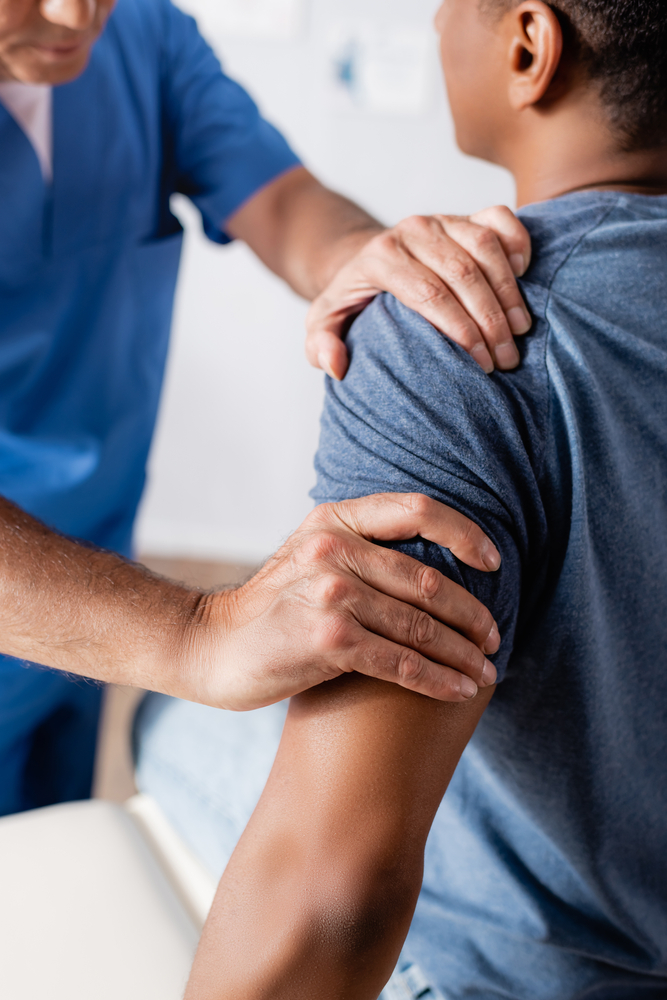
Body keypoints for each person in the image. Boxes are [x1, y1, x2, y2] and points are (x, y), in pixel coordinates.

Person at [140, 0, 667, 996]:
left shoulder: (463, 340)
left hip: (512, 972)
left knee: (164, 729)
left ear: (528, 45)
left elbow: (337, 897)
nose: (431, 20)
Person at [0, 0, 534, 815]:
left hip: (94, 578)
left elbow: (285, 208)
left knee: (46, 877)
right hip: (36, 592)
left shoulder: (144, 37)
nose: (78, 13)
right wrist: (195, 635)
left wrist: (369, 259)